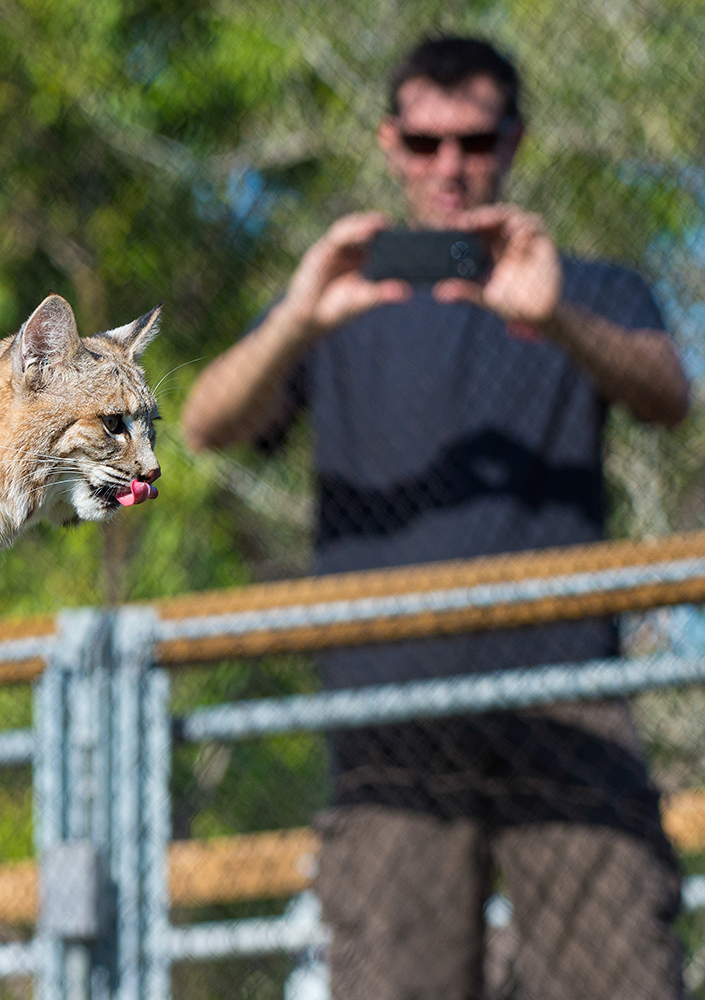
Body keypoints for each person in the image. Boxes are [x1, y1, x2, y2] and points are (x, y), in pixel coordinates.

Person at [180, 36, 691, 1000]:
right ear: (390, 143)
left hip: (565, 693)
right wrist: (298, 314)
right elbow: (207, 422)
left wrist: (556, 319)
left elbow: (670, 397)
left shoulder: (588, 288)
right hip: (390, 709)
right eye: (424, 142)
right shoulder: (338, 303)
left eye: (474, 140)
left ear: (515, 140)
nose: (450, 166)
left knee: (622, 977)